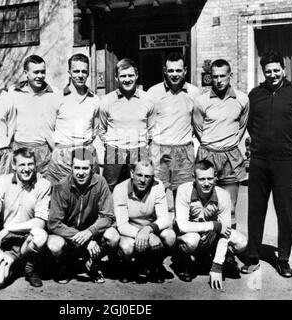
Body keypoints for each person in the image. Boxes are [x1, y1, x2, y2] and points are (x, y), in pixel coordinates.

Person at [241, 51, 292, 278]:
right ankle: (252, 256)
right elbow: (250, 125)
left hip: (285, 161)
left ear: (283, 70)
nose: (272, 74)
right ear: (263, 72)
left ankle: (284, 259)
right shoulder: (255, 94)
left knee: (286, 212)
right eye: (268, 71)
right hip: (259, 160)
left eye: (276, 70)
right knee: (255, 210)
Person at [192, 59, 249, 275]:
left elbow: (242, 126)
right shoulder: (201, 100)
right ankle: (203, 253)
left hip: (231, 155)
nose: (218, 80)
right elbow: (198, 128)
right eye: (214, 76)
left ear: (230, 75)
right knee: (205, 207)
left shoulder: (242, 99)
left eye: (222, 76)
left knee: (230, 209)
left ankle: (228, 255)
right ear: (210, 77)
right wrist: (212, 146)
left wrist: (227, 145)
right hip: (208, 153)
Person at [47, 147, 118, 284]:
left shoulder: (100, 182)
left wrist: (90, 232)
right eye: (77, 168)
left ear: (92, 168)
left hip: (92, 234)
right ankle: (65, 265)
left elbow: (108, 216)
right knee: (54, 245)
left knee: (113, 237)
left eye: (85, 168)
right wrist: (84, 240)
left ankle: (93, 263)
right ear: (71, 168)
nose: (80, 173)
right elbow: (54, 223)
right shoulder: (62, 186)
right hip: (68, 236)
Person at [175, 160, 247, 291]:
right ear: (194, 178)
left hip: (210, 236)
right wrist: (213, 225)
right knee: (191, 241)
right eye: (202, 179)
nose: (207, 183)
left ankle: (221, 258)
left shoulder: (223, 195)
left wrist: (217, 266)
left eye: (210, 178)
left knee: (241, 242)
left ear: (215, 177)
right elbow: (182, 226)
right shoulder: (184, 190)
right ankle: (183, 262)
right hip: (190, 234)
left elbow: (225, 231)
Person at [0, 148, 52, 288]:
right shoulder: (1, 182)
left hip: (27, 240)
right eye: (22, 165)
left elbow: (40, 222)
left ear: (35, 165)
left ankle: (29, 268)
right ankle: (14, 266)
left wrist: (9, 228)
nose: (27, 169)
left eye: (30, 164)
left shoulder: (43, 184)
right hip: (7, 243)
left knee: (40, 235)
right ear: (14, 166)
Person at [147, 52, 201, 198]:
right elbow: (147, 122)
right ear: (165, 71)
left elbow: (198, 123)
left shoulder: (195, 93)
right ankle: (161, 220)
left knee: (184, 192)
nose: (175, 74)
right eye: (171, 70)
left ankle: (180, 220)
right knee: (157, 191)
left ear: (185, 71)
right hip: (159, 148)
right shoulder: (153, 92)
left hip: (184, 150)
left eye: (178, 70)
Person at [113, 159, 175, 283]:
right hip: (130, 231)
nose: (143, 180)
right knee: (126, 247)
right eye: (139, 175)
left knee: (170, 236)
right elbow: (122, 225)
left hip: (150, 229)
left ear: (153, 177)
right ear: (132, 173)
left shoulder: (158, 186)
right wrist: (142, 234)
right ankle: (127, 267)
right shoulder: (120, 189)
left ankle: (155, 264)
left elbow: (164, 218)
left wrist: (148, 230)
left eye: (148, 176)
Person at [99, 58, 155, 191]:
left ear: (136, 75)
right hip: (114, 150)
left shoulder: (148, 100)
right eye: (123, 76)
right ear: (116, 78)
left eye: (130, 75)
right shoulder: (107, 100)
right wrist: (113, 145)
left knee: (141, 186)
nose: (127, 79)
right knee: (110, 187)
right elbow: (102, 130)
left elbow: (152, 130)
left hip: (139, 150)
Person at [46, 54, 100, 185]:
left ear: (88, 73)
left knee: (87, 196)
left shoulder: (95, 99)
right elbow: (48, 130)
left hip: (86, 154)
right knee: (61, 195)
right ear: (69, 72)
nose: (80, 75)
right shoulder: (57, 98)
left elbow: (95, 129)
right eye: (76, 71)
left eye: (84, 71)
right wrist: (60, 152)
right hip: (62, 156)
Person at [11, 55, 58, 175]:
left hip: (43, 150)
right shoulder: (13, 92)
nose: (40, 76)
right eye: (36, 72)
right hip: (20, 148)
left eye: (43, 72)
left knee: (43, 187)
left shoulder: (55, 93)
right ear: (26, 73)